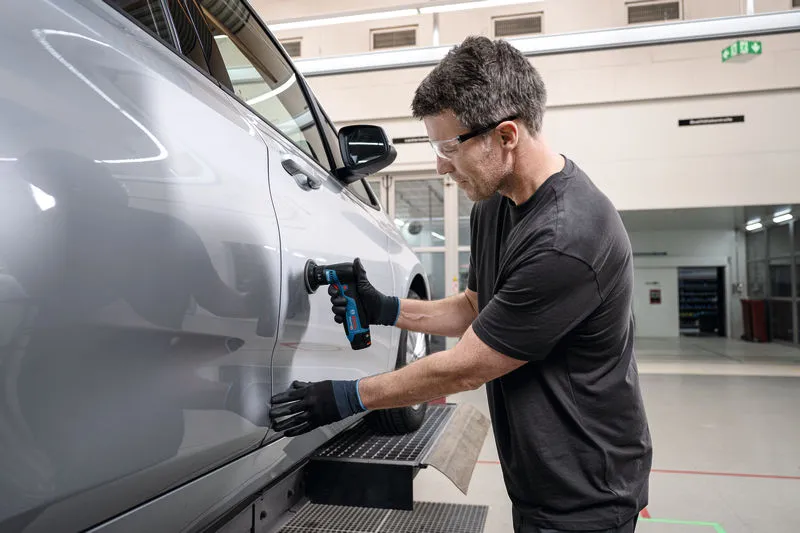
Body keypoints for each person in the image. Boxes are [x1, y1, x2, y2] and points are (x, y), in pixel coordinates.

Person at [269, 36, 652, 533]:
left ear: (506, 136)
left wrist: (345, 397)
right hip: (540, 474)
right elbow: (476, 308)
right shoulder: (495, 204)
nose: (440, 165)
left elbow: (468, 368)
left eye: (449, 146)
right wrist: (385, 307)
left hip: (587, 488)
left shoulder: (567, 238)